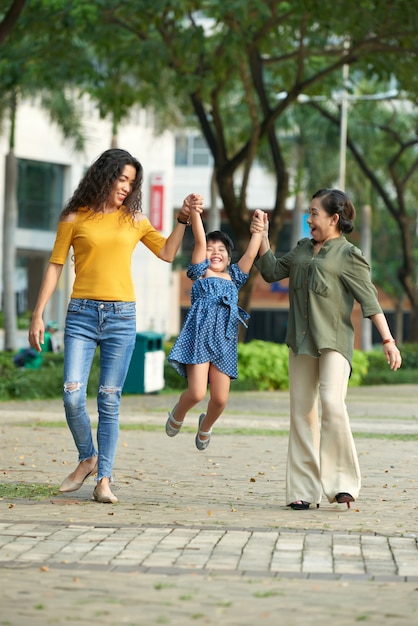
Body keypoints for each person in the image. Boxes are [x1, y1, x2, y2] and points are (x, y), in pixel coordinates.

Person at [28, 148, 204, 504]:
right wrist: (38, 313)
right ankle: (87, 457)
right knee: (72, 393)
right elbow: (55, 264)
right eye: (121, 179)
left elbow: (167, 253)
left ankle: (104, 478)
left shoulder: (134, 220)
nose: (126, 187)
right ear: (104, 175)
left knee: (109, 400)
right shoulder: (74, 217)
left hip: (121, 317)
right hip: (80, 314)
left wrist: (183, 218)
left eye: (132, 182)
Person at [251, 188, 402, 510]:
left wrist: (388, 341)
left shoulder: (349, 255)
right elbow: (272, 271)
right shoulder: (303, 249)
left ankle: (343, 484)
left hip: (334, 341)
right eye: (309, 213)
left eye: (314, 213)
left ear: (334, 218)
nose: (309, 219)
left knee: (332, 404)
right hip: (301, 342)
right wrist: (262, 237)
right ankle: (303, 491)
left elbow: (370, 301)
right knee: (302, 414)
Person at [166, 206, 264, 450]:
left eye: (221, 250)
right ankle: (178, 412)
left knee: (220, 400)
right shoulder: (199, 273)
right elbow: (200, 240)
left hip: (224, 342)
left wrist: (259, 230)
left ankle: (206, 426)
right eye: (211, 249)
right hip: (199, 338)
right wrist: (195, 213)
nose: (215, 252)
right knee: (197, 393)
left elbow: (251, 255)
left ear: (229, 259)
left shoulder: (235, 277)